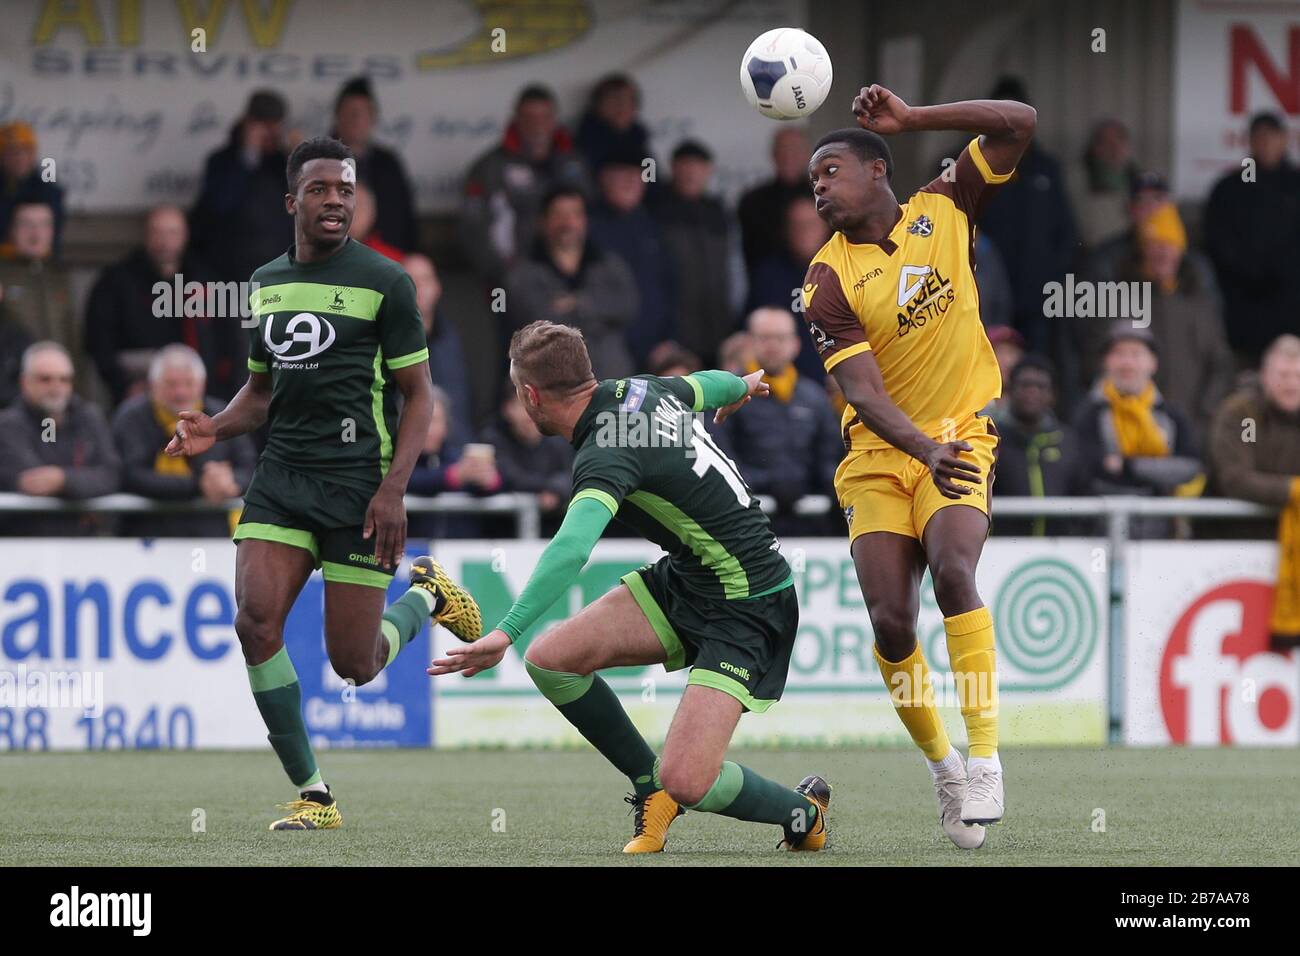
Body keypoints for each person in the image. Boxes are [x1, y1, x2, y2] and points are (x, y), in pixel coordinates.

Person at [164, 137, 480, 831]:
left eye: (345, 188)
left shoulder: (386, 282)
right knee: (254, 623)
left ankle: (426, 596)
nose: (334, 198)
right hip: (280, 478)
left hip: (358, 486)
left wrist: (394, 488)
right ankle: (315, 794)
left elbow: (419, 397)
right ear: (292, 202)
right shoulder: (266, 280)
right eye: (320, 189)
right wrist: (213, 429)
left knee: (355, 666)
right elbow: (259, 392)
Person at [429, 320, 831, 854]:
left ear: (530, 394)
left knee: (691, 778)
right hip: (692, 578)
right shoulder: (640, 388)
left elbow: (572, 549)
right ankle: (651, 788)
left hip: (749, 601)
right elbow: (704, 385)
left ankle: (803, 813)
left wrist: (504, 633)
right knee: (552, 660)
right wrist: (744, 384)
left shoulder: (604, 451)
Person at [802, 82, 1038, 849]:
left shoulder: (949, 203)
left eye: (830, 171)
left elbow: (1020, 124)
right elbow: (863, 394)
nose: (818, 188)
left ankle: (986, 757)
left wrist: (914, 120)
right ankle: (942, 768)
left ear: (878, 169)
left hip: (961, 433)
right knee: (889, 619)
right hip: (880, 457)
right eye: (812, 182)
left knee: (955, 573)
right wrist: (921, 450)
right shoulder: (825, 278)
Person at [84, 204, 240, 404]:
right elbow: (99, 342)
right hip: (140, 394)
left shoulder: (207, 282)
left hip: (202, 395)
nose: (165, 241)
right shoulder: (116, 282)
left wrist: (220, 392)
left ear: (185, 235)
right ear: (146, 236)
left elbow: (230, 344)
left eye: (172, 232)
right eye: (157, 232)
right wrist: (123, 386)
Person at [1208, 334, 1300, 650]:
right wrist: (1292, 490)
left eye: (1298, 376)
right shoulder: (1246, 416)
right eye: (1283, 375)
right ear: (1265, 376)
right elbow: (1237, 477)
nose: (1291, 384)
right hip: (1229, 543)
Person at [971, 77, 1074, 356]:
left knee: (1035, 370)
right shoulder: (968, 167)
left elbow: (1066, 232)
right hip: (983, 297)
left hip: (1037, 297)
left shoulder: (1046, 169)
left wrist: (1052, 277)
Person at [717, 308, 841, 533]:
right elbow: (720, 459)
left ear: (796, 344)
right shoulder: (730, 394)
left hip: (810, 523)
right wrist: (767, 482)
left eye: (781, 338)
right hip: (746, 523)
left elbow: (830, 459)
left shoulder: (814, 398)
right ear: (750, 343)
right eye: (764, 337)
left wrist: (828, 486)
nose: (773, 345)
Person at [112, 344, 256, 538]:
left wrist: (230, 483)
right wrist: (199, 485)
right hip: (146, 533)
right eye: (171, 384)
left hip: (211, 532)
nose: (181, 392)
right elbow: (130, 474)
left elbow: (249, 466)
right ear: (153, 386)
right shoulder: (130, 418)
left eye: (188, 384)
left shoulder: (222, 416)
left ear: (202, 384)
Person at [504, 184, 637, 379]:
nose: (568, 223)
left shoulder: (609, 265)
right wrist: (600, 312)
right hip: (554, 385)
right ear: (542, 221)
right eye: (559, 215)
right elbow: (539, 322)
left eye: (575, 214)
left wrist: (578, 303)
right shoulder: (523, 274)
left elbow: (628, 305)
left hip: (612, 381)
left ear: (585, 221)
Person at [461, 85, 589, 285]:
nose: (537, 125)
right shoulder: (489, 168)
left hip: (573, 277)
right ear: (516, 118)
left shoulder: (575, 162)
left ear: (554, 119)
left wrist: (588, 270)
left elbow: (593, 216)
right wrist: (504, 275)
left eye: (544, 117)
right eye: (529, 117)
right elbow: (473, 229)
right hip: (514, 280)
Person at [1205, 112, 1300, 365]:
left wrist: (1284, 271)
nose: (1266, 143)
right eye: (1259, 137)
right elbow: (1217, 241)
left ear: (1284, 140)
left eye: (1272, 137)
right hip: (1245, 308)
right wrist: (1252, 273)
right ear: (1249, 141)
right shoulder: (1231, 187)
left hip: (1293, 306)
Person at [0, 342, 120, 536]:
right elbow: (33, 481)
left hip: (85, 545)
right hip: (25, 546)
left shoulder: (90, 417)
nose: (56, 387)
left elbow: (111, 475)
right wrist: (81, 485)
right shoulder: (7, 425)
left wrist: (63, 480)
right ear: (24, 382)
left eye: (64, 379)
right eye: (45, 379)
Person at [1072, 327, 1203, 505]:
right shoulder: (1089, 411)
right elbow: (1086, 467)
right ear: (1105, 362)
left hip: (1161, 522)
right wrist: (1157, 470)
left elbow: (1190, 467)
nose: (1127, 363)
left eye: (1136, 354)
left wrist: (1128, 466)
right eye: (1119, 354)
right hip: (1102, 518)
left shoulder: (1170, 414)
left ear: (1153, 363)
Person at [189, 90, 296, 284]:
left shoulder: (286, 164)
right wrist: (249, 156)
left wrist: (300, 158)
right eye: (264, 127)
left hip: (280, 270)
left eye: (275, 127)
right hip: (230, 272)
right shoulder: (221, 161)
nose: (269, 135)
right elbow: (218, 206)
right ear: (247, 124)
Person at [587, 148, 677, 365]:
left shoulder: (653, 226)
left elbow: (671, 285)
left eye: (635, 177)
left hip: (655, 349)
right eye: (620, 177)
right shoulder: (588, 227)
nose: (630, 183)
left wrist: (670, 337)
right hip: (605, 349)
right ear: (603, 180)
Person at [651, 140, 735, 366]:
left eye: (697, 167)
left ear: (708, 171)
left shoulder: (718, 211)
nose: (691, 174)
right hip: (675, 337)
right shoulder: (657, 210)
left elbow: (734, 273)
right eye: (685, 166)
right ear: (673, 168)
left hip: (718, 331)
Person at [989, 355, 1086, 536]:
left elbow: (1084, 493)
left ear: (1053, 395)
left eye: (1041, 387)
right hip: (1001, 551)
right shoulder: (990, 437)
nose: (1032, 392)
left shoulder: (1069, 441)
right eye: (1025, 385)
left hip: (1063, 553)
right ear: (1009, 390)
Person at [0, 201, 85, 392]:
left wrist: (79, 391)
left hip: (58, 387)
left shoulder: (59, 276)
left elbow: (73, 339)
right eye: (27, 224)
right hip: (12, 392)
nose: (35, 233)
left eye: (44, 224)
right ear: (12, 230)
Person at [745, 196, 831, 383]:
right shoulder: (768, 274)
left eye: (810, 224)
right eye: (796, 225)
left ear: (825, 226)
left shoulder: (843, 269)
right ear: (786, 230)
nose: (804, 232)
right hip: (784, 381)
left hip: (838, 379)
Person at [331, 75, 417, 253]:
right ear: (338, 117)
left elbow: (406, 222)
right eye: (352, 113)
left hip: (385, 262)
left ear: (373, 118)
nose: (358, 120)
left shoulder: (389, 164)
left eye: (364, 113)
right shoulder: (317, 161)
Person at [480, 378, 573, 534]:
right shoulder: (493, 439)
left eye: (537, 404)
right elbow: (510, 477)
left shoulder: (558, 439)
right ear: (507, 409)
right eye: (523, 405)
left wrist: (557, 490)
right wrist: (549, 489)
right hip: (502, 536)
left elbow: (573, 475)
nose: (530, 414)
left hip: (551, 533)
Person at [405, 253, 472, 440]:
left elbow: (462, 403)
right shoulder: (383, 341)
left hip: (453, 447)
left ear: (437, 287)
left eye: (425, 280)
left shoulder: (453, 339)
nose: (419, 287)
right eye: (410, 280)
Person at [738, 128, 812, 275]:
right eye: (783, 149)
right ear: (773, 155)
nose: (788, 156)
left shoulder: (826, 198)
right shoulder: (751, 201)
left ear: (807, 155)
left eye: (795, 149)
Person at [1067, 118, 1139, 249]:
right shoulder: (1076, 180)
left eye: (1120, 141)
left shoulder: (1142, 182)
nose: (1114, 149)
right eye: (1106, 143)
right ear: (1094, 148)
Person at [0, 122, 64, 253]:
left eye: (26, 150)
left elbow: (51, 240)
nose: (20, 158)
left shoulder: (48, 190)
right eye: (12, 152)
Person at [575, 74, 655, 177]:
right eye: (614, 100)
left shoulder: (638, 138)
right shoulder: (587, 142)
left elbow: (651, 178)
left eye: (628, 101)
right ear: (598, 105)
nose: (621, 107)